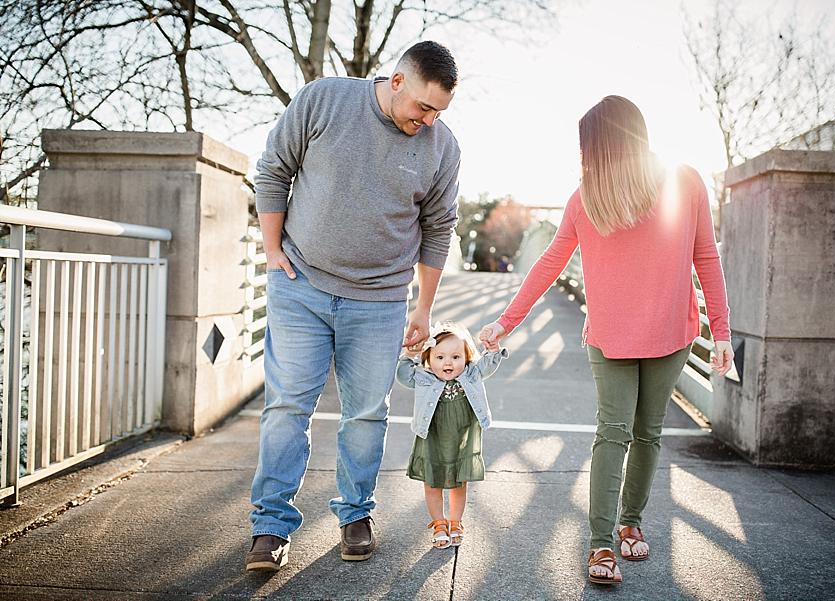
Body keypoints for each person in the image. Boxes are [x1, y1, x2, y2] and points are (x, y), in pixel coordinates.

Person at [479, 96, 733, 585]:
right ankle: (599, 544)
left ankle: (631, 521)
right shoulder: (588, 197)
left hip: (671, 334)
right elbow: (551, 263)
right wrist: (506, 322)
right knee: (613, 432)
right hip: (611, 338)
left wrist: (720, 330)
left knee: (649, 431)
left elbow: (706, 257)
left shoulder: (685, 181)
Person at [246, 41, 461, 572]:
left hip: (381, 301)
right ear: (396, 82)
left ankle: (355, 514)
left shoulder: (442, 146)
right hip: (301, 288)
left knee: (366, 414)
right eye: (423, 107)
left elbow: (438, 228)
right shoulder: (324, 101)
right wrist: (273, 253)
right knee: (287, 408)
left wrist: (423, 310)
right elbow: (273, 170)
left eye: (439, 111)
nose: (429, 120)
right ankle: (270, 527)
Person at [395, 322, 507, 549]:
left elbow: (488, 364)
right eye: (440, 357)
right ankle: (438, 523)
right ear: (428, 358)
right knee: (432, 482)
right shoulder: (425, 377)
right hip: (432, 436)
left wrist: (493, 348)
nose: (448, 362)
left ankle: (455, 522)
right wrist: (408, 354)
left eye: (456, 357)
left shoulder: (471, 374)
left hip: (461, 438)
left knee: (458, 482)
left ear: (466, 358)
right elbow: (402, 375)